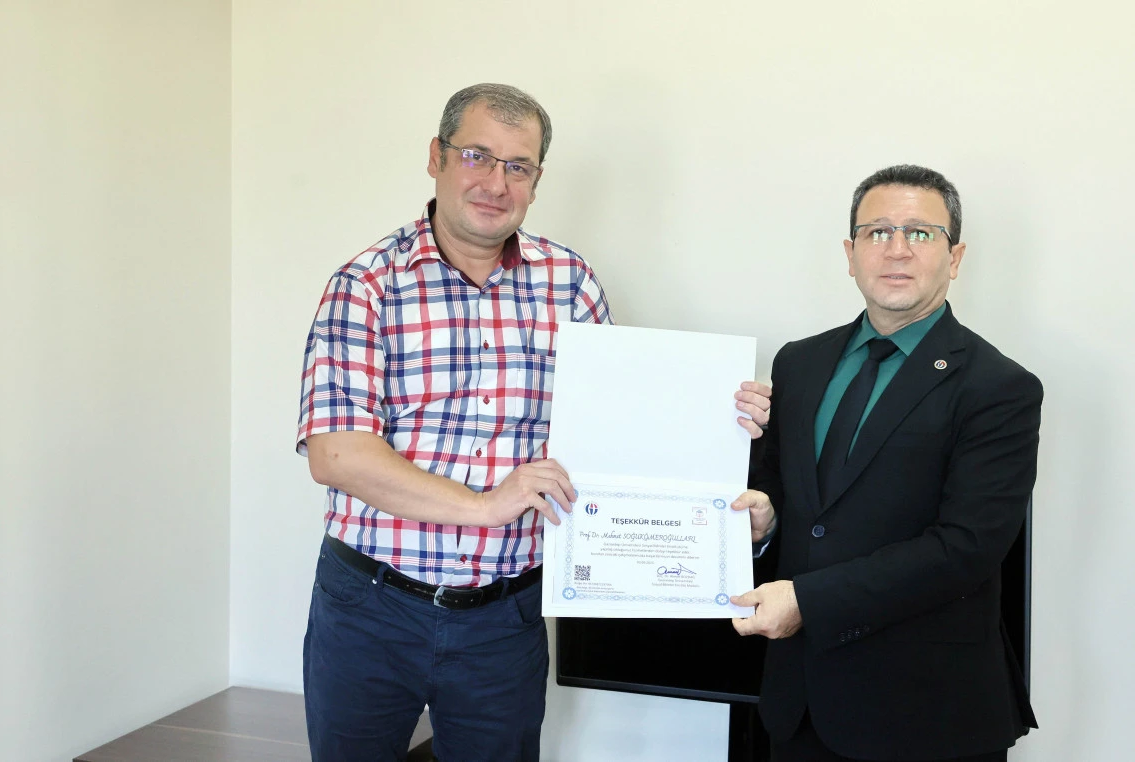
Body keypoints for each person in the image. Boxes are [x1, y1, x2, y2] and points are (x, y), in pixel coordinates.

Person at [295, 82, 771, 762]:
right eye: (477, 156)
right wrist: (486, 506)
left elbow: (619, 432)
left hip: (504, 618)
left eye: (518, 166)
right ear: (436, 157)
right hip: (370, 610)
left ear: (537, 181)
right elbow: (337, 455)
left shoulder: (571, 283)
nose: (496, 183)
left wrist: (719, 416)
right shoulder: (367, 284)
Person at [730, 165, 1041, 762]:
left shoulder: (999, 387)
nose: (897, 249)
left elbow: (966, 548)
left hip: (926, 712)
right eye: (877, 232)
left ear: (955, 257)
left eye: (920, 233)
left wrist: (809, 602)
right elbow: (789, 495)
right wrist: (765, 519)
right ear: (850, 255)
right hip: (799, 703)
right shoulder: (798, 363)